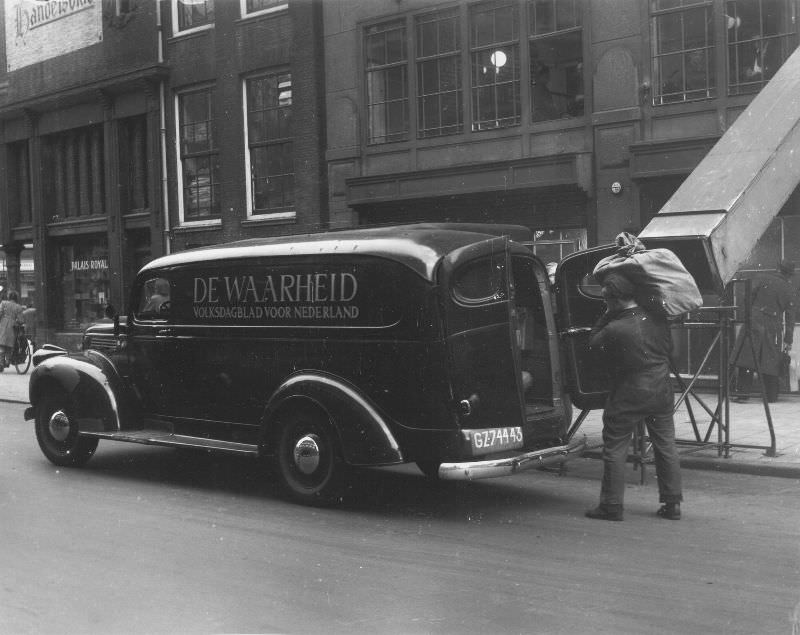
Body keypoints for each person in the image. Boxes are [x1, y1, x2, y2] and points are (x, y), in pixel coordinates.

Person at [584, 272, 683, 522]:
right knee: (666, 444)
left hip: (629, 392)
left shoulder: (615, 327)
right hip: (661, 389)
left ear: (615, 300)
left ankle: (612, 505)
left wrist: (607, 314)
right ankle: (672, 504)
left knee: (616, 446)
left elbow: (593, 343)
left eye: (607, 302)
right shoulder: (659, 319)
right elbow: (672, 351)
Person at [733, 259, 796, 403]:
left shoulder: (762, 278)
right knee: (770, 360)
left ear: (777, 269)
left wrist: (748, 316)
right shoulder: (789, 289)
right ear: (790, 275)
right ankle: (771, 396)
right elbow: (790, 317)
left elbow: (747, 297)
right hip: (773, 326)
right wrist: (788, 340)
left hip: (754, 321)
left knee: (747, 357)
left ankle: (743, 395)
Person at [0, 290, 26, 371]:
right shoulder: (18, 307)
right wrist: (17, 321)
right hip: (13, 326)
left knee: (2, 344)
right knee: (10, 345)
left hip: (3, 324)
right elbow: (21, 320)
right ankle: (7, 361)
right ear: (16, 298)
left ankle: (1, 362)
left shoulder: (3, 303)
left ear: (9, 297)